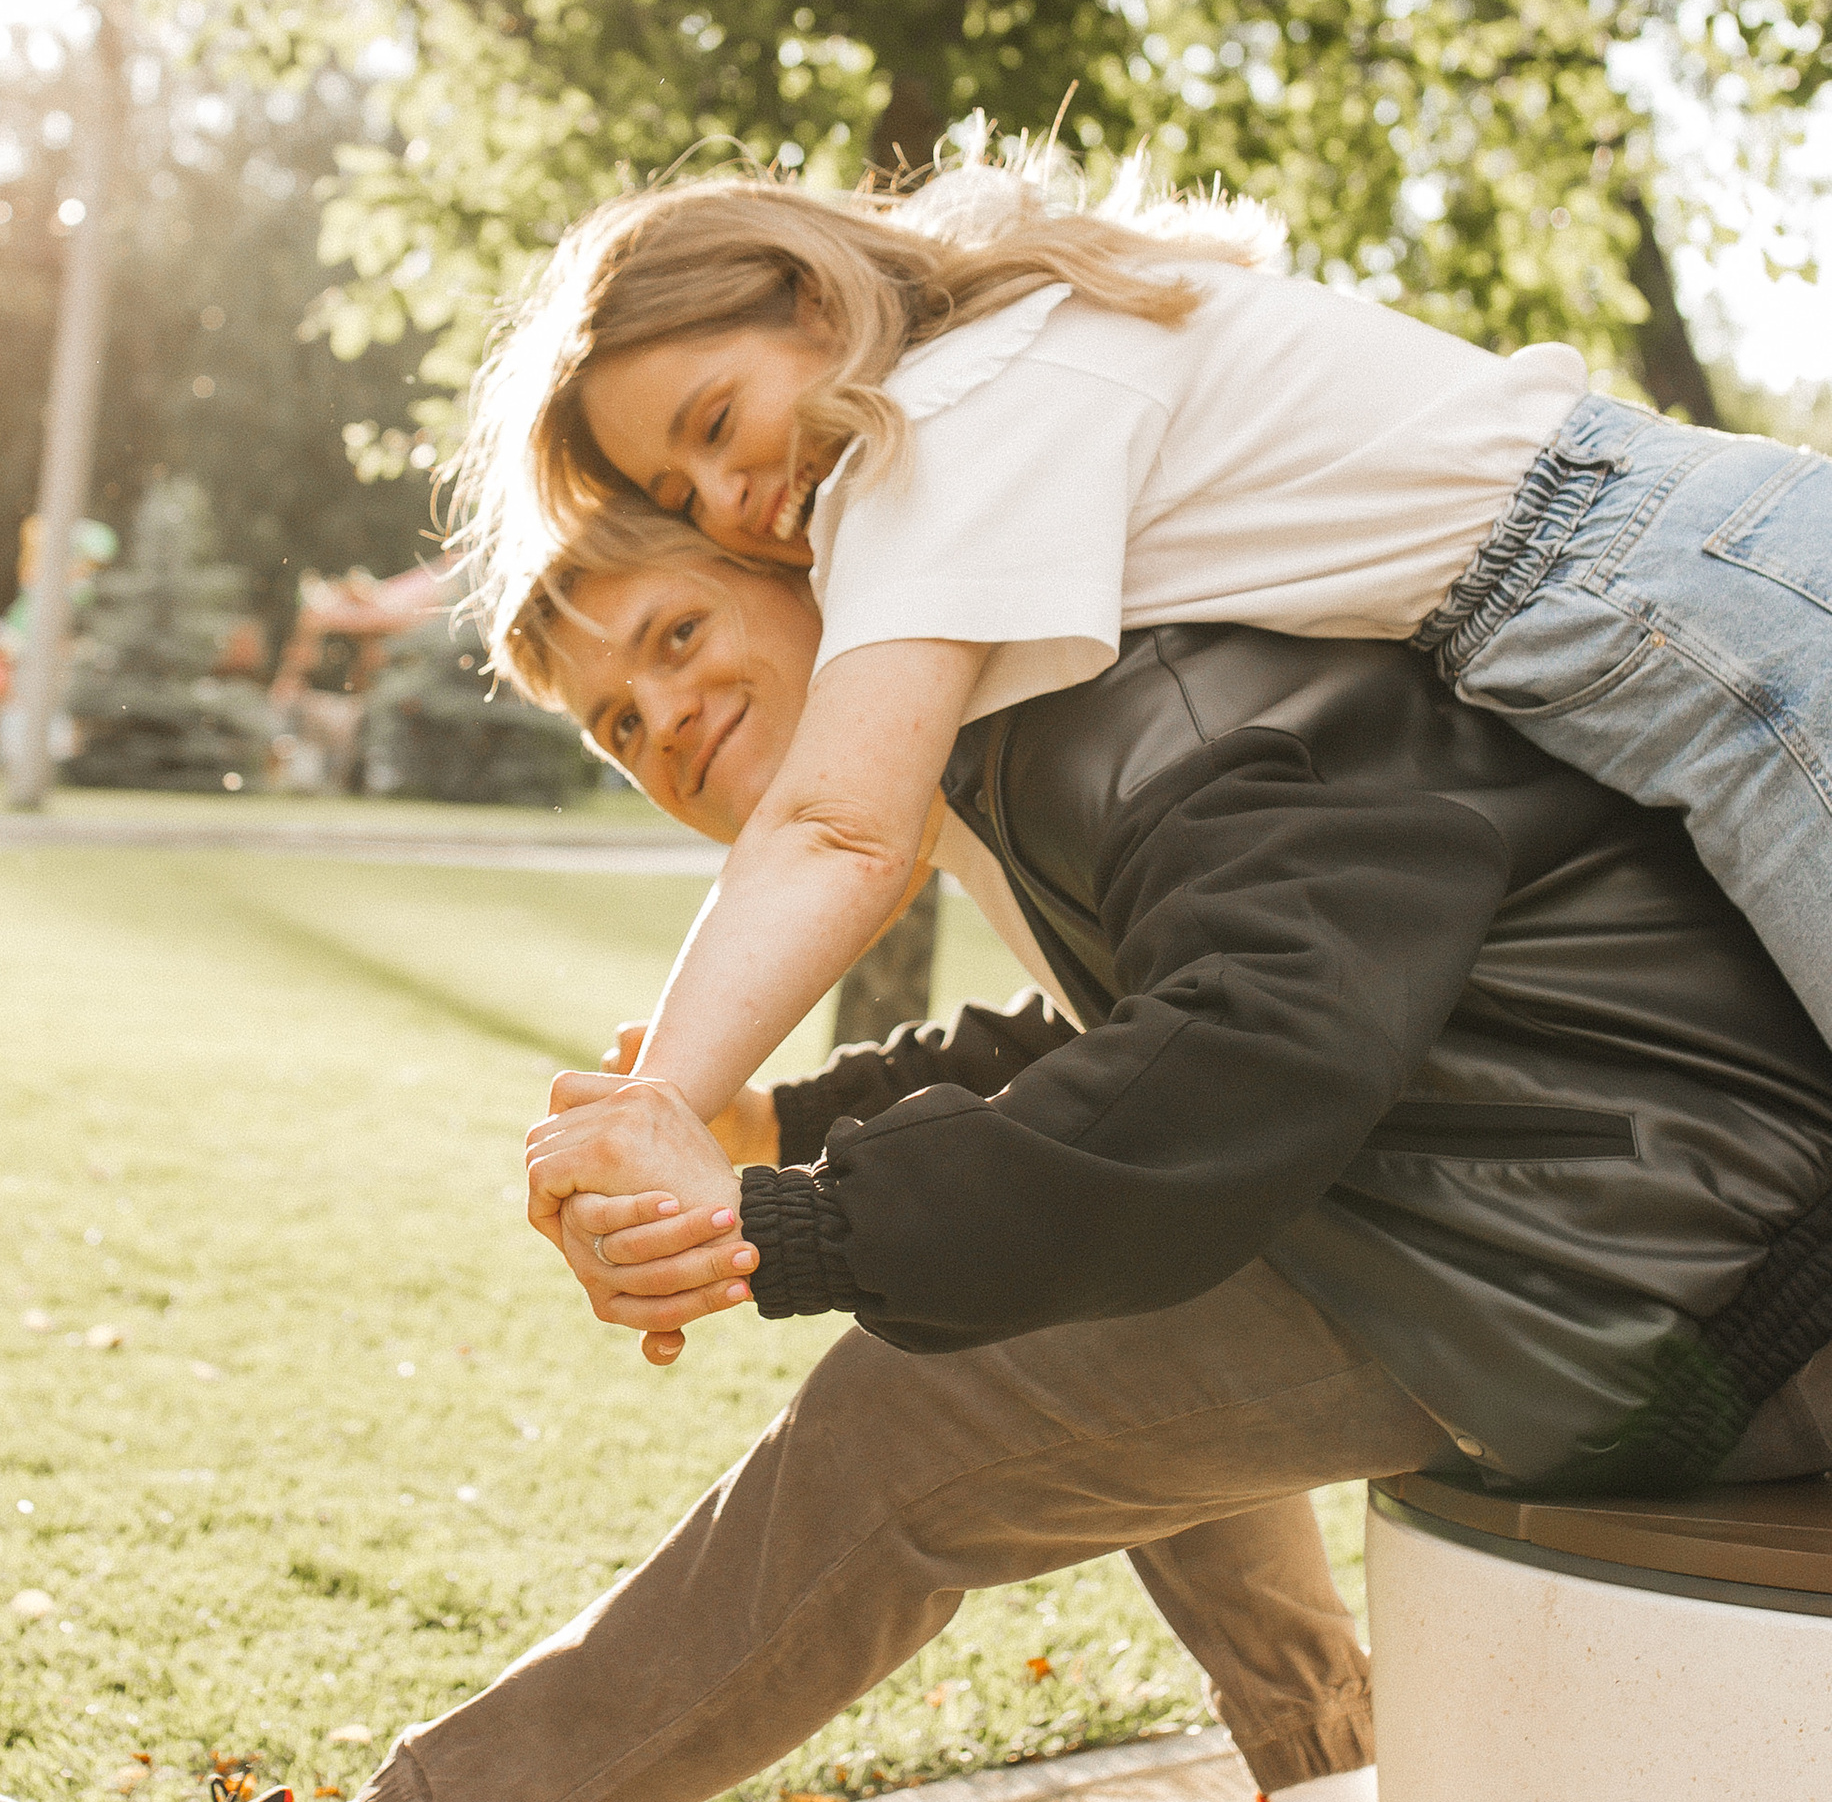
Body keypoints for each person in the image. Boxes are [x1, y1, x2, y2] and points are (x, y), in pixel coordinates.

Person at [0, 523, 1832, 1802]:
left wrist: (788, 1220)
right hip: (1582, 1234)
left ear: (827, 573)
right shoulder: (1026, 712)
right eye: (619, 721)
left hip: (1699, 1293)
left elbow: (1215, 1074)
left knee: (939, 1404)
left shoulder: (1141, 688)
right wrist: (765, 1121)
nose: (667, 721)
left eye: (681, 635)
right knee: (1063, 1280)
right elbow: (1112, 1035)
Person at [446, 148, 1832, 1166]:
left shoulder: (943, 425)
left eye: (714, 418)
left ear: (809, 298)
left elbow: (837, 831)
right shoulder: (1018, 354)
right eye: (681, 497)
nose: (727, 496)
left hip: (1693, 611)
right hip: (1683, 583)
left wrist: (663, 1101)